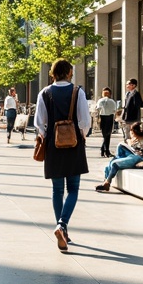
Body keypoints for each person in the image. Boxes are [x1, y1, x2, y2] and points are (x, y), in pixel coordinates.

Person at [34, 59, 91, 252]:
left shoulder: (45, 93)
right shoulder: (77, 92)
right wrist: (81, 135)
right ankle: (62, 225)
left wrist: (45, 137)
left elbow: (39, 123)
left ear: (53, 73)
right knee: (73, 188)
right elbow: (85, 120)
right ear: (68, 72)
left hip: (53, 145)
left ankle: (62, 230)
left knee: (57, 190)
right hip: (74, 144)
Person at [95, 121, 143, 191]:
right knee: (120, 147)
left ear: (134, 132)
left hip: (137, 157)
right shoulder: (134, 139)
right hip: (132, 155)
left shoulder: (142, 138)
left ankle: (107, 182)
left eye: (131, 131)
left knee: (114, 163)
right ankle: (105, 183)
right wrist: (130, 142)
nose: (130, 133)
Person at [94, 87, 118, 157]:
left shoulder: (100, 101)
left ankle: (104, 150)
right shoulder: (112, 101)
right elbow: (114, 111)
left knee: (105, 135)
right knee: (108, 135)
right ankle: (105, 150)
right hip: (110, 117)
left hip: (102, 117)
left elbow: (97, 110)